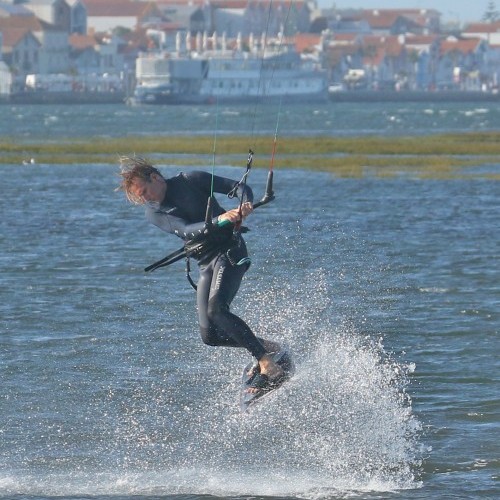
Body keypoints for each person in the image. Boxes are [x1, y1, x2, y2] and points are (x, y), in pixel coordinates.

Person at [117, 156, 286, 394]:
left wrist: (245, 203)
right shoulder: (154, 213)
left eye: (144, 191)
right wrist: (221, 218)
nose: (145, 199)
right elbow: (186, 229)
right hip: (205, 261)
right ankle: (270, 349)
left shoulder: (191, 179)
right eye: (140, 197)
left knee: (217, 310)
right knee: (210, 335)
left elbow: (239, 188)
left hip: (230, 250)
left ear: (155, 177)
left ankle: (268, 364)